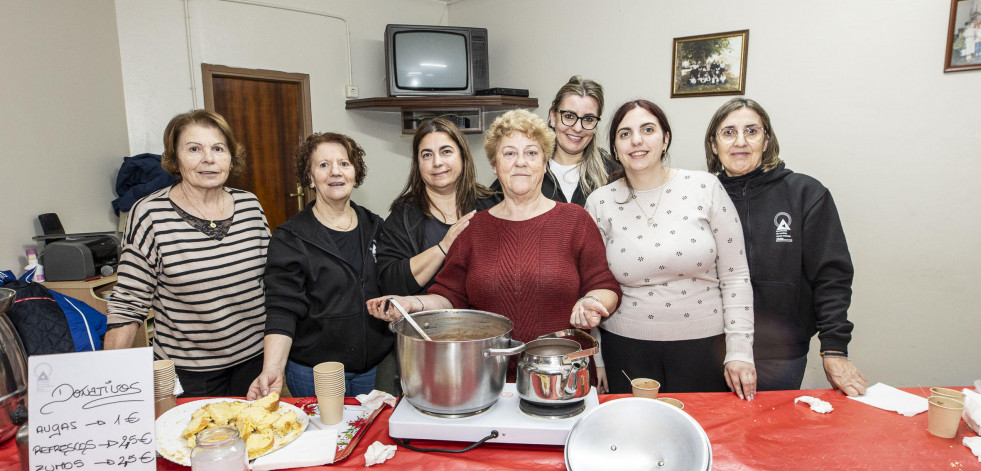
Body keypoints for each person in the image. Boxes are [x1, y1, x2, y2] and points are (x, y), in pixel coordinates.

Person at [368, 109, 622, 380]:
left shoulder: (575, 220)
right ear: (494, 164)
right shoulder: (474, 227)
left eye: (532, 153)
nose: (521, 162)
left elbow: (606, 286)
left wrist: (592, 301)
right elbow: (450, 295)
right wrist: (412, 304)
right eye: (509, 153)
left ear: (545, 162)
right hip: (488, 377)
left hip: (561, 376)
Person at [585, 99, 757, 399]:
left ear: (665, 139)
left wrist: (740, 351)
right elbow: (591, 285)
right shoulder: (600, 202)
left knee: (705, 437)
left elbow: (736, 276)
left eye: (647, 129)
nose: (636, 140)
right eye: (625, 133)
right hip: (625, 349)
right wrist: (595, 356)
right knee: (635, 438)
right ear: (614, 148)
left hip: (706, 347)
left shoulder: (705, 187)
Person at [705, 98, 867, 396]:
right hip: (710, 347)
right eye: (728, 133)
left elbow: (832, 277)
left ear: (766, 140)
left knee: (769, 437)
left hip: (782, 354)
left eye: (751, 131)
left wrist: (834, 349)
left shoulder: (805, 193)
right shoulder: (700, 196)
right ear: (714, 145)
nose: (740, 141)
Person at [105, 110, 270, 397]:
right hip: (188, 372)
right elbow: (128, 304)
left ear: (231, 157)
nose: (208, 158)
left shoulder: (249, 205)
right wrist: (108, 387)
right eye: (194, 149)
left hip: (255, 362)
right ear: (175, 159)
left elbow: (272, 280)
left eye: (218, 149)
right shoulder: (149, 214)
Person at [247, 132, 392, 400]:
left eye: (344, 163)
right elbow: (282, 309)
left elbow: (395, 280)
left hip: (374, 368)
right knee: (328, 438)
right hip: (316, 372)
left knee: (370, 438)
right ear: (310, 178)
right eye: (323, 165)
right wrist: (272, 368)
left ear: (355, 173)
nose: (335, 172)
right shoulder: (290, 238)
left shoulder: (376, 226)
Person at [376, 117, 497, 297]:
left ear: (463, 156)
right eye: (427, 155)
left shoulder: (492, 204)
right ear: (418, 164)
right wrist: (443, 247)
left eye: (446, 151)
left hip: (486, 321)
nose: (437, 162)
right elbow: (390, 282)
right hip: (424, 322)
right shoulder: (404, 215)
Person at [491, 76, 612, 206]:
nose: (578, 128)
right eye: (569, 116)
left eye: (588, 119)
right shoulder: (526, 165)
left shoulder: (611, 171)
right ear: (553, 117)